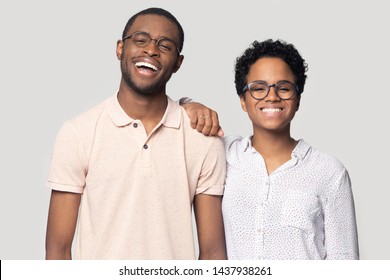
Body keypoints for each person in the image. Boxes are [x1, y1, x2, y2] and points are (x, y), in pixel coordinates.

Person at [45, 7, 227, 260]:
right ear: (120, 48)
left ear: (178, 62)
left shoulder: (202, 138)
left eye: (165, 46)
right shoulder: (78, 133)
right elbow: (58, 250)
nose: (150, 50)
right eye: (140, 40)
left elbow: (213, 253)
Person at [184, 39, 359, 259]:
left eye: (283, 88)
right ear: (243, 101)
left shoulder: (329, 171)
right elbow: (174, 121)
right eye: (259, 88)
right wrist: (188, 104)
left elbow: (345, 261)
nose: (272, 96)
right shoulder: (225, 155)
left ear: (297, 99)